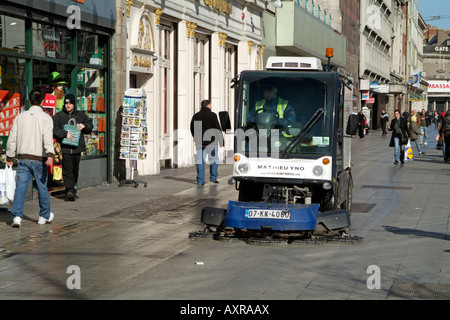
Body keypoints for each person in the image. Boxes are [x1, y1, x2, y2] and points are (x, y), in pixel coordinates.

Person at [6, 90, 55, 228]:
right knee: (42, 187)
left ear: (29, 100)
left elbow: (12, 138)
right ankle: (43, 215)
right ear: (42, 102)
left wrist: (10, 156)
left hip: (23, 158)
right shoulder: (46, 118)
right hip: (39, 158)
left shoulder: (20, 117)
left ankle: (16, 216)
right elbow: (47, 139)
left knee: (20, 188)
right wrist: (50, 155)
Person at [53, 94, 93, 201]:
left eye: (70, 103)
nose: (68, 105)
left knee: (75, 169)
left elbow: (90, 126)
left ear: (74, 104)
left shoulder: (81, 115)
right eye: (66, 103)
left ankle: (71, 188)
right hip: (65, 148)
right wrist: (64, 134)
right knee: (67, 169)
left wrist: (84, 126)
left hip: (77, 148)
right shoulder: (58, 116)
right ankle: (69, 189)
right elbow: (54, 130)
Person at [190, 100, 223, 186]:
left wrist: (196, 137)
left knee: (200, 161)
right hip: (212, 142)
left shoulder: (196, 116)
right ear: (208, 105)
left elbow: (192, 128)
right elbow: (217, 128)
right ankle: (213, 178)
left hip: (200, 142)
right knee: (214, 159)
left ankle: (200, 181)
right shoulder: (213, 115)